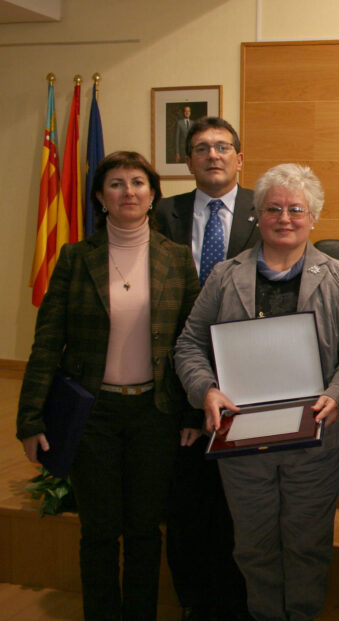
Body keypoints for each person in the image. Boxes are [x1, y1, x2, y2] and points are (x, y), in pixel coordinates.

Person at [17, 151, 200, 620]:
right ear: (100, 197)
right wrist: (30, 419)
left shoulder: (177, 259)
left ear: (153, 194)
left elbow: (192, 344)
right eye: (116, 184)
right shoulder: (76, 258)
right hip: (93, 414)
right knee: (98, 531)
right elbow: (46, 343)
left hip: (155, 414)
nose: (128, 192)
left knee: (144, 531)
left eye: (138, 182)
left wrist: (192, 413)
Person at [174, 163, 339, 620]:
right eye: (273, 208)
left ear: (313, 217)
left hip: (315, 436)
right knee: (253, 546)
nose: (284, 218)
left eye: (296, 209)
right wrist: (206, 391)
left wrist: (337, 393)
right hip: (242, 438)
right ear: (257, 215)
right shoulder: (224, 276)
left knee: (307, 545)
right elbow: (189, 344)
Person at [155, 115, 256, 621]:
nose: (213, 155)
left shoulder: (267, 207)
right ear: (188, 162)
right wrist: (185, 403)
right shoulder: (162, 213)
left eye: (222, 146)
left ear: (239, 158)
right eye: (201, 148)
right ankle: (195, 603)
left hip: (249, 376)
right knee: (188, 505)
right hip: (181, 374)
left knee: (240, 504)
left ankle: (239, 602)